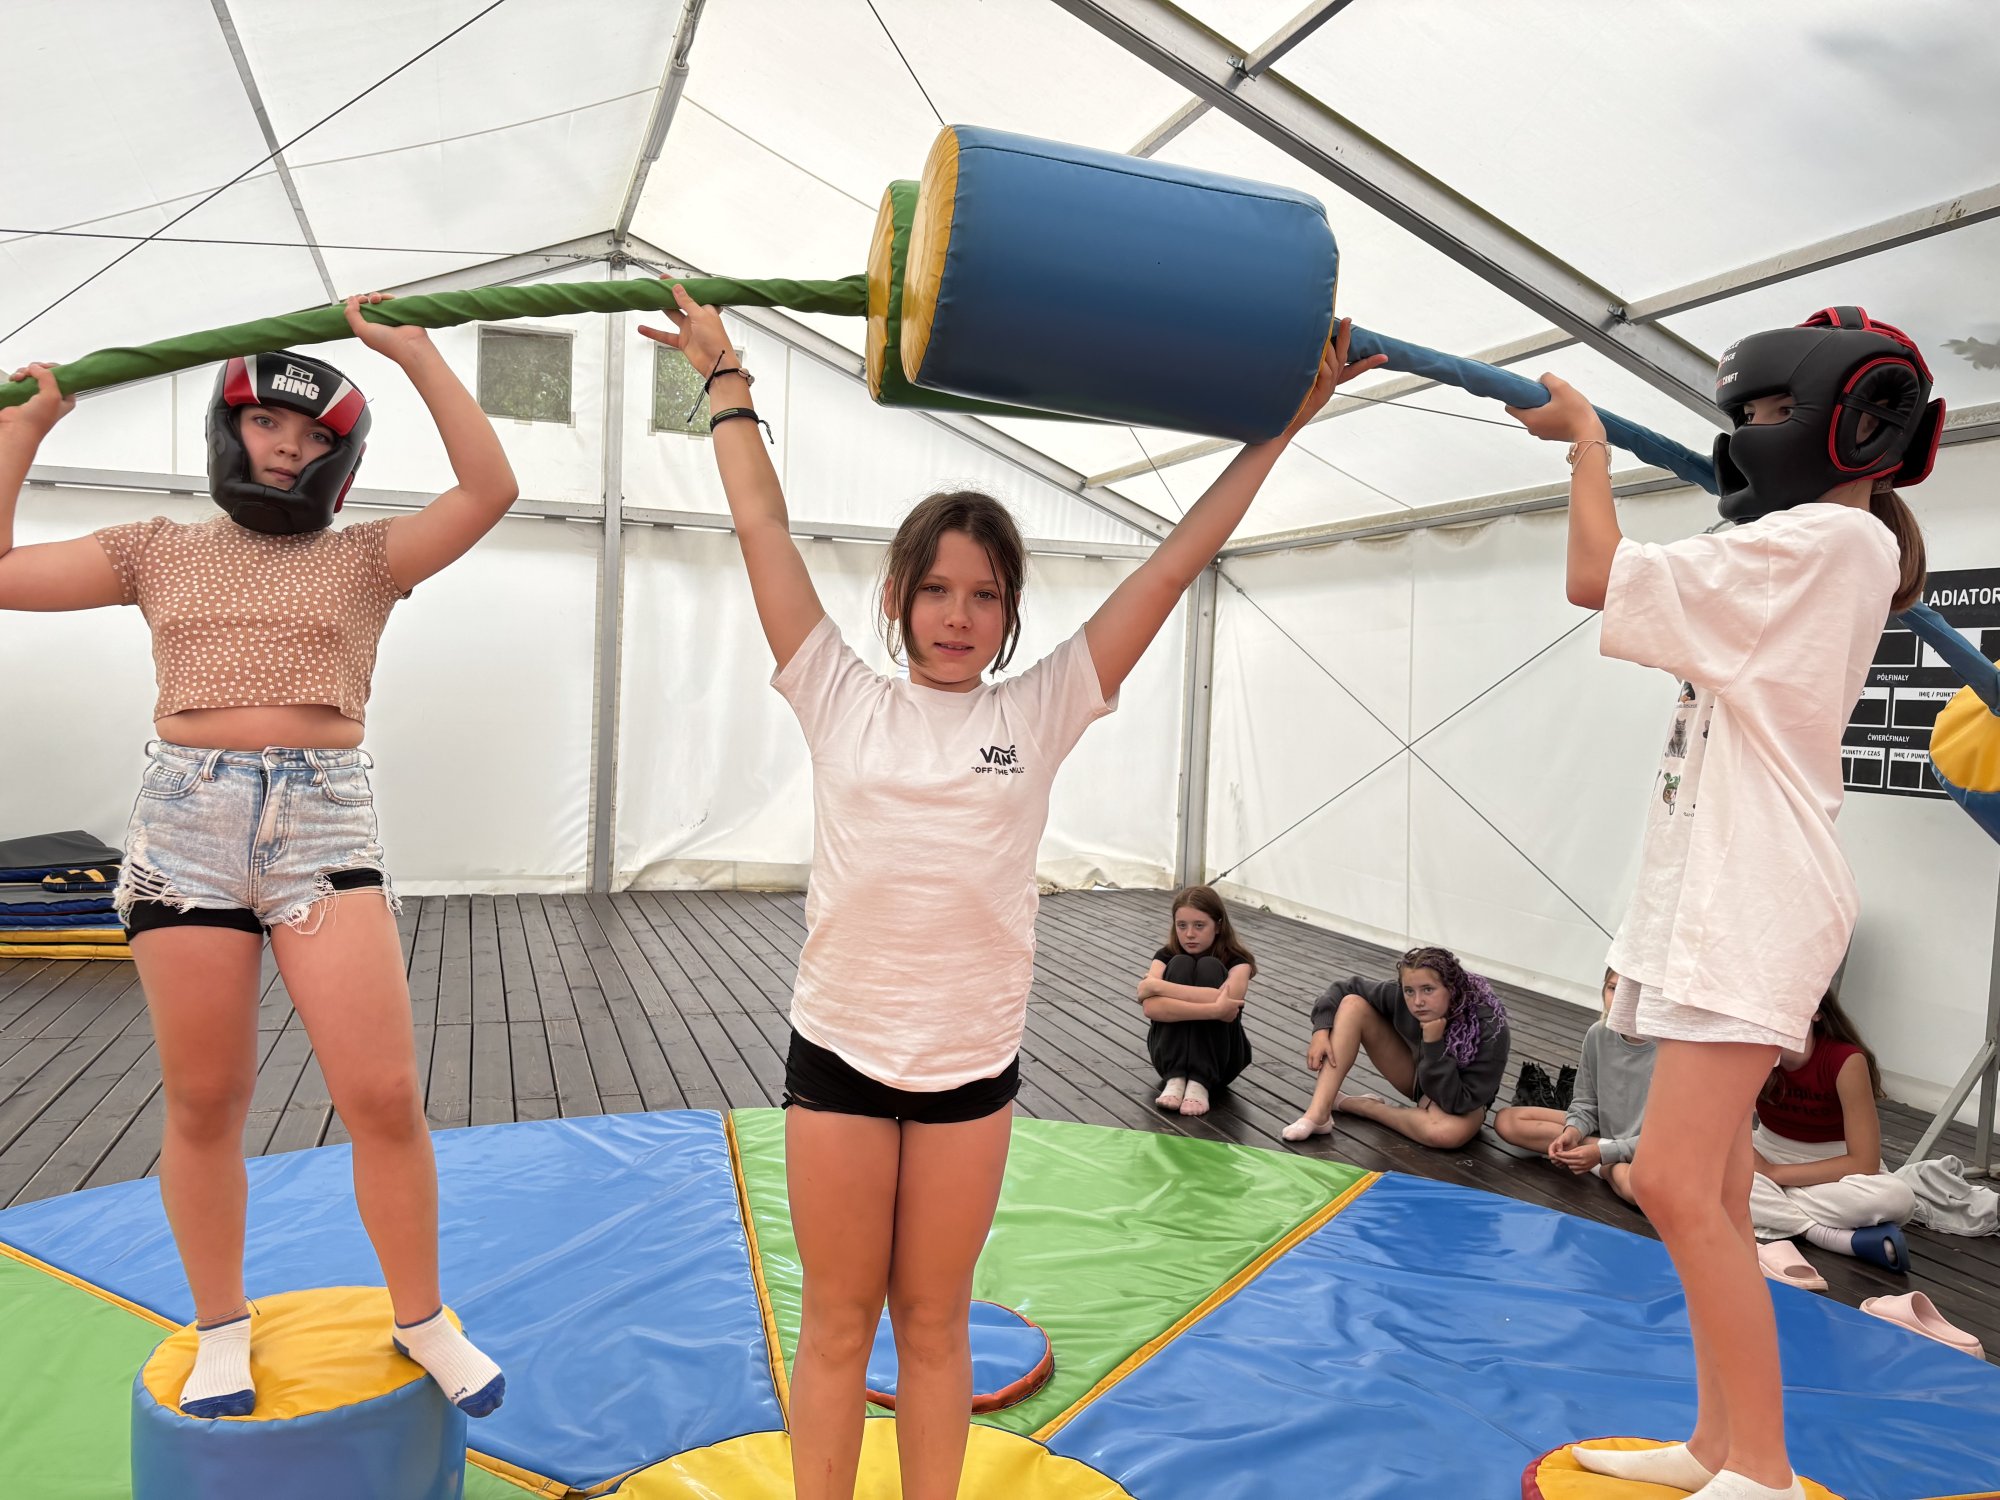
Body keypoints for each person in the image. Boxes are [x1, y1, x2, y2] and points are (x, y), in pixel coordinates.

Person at [639, 283, 1384, 1500]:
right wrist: (726, 384)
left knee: (934, 1327)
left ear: (1008, 612)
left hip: (967, 1069)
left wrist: (1283, 426)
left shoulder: (1038, 709)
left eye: (983, 594)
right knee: (836, 1324)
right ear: (896, 597)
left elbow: (1176, 561)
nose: (957, 615)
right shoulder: (835, 689)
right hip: (840, 1052)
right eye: (935, 589)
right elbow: (761, 528)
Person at [0, 295, 520, 1420]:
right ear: (229, 431)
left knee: (383, 1094)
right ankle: (221, 1328)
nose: (286, 446)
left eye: (313, 435)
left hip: (322, 830)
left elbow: (489, 491)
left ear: (340, 458)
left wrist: (417, 356)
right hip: (185, 828)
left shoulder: (369, 557)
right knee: (205, 1100)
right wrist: (24, 430)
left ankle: (422, 1318)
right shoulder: (156, 550)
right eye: (267, 423)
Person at [1507, 306, 1939, 1500]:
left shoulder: (1826, 543)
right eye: (1739, 415)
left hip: (1750, 900)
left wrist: (1586, 444)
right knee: (1713, 1188)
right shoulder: (1811, 549)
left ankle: (1758, 1466)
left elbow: (1592, 576)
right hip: (1720, 892)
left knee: (1673, 1182)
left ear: (1852, 424)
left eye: (1768, 412)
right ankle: (1717, 1445)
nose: (1748, 435)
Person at [1281, 945, 1510, 1148]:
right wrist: (1321, 1029)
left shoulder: (1490, 1027)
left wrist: (1434, 1043)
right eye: (1410, 991)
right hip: (1419, 1078)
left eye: (1428, 989)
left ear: (1451, 988)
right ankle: (1318, 1114)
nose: (1417, 1001)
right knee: (1352, 1004)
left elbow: (1459, 1103)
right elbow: (1344, 988)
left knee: (1446, 1133)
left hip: (1462, 1098)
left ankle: (1362, 1107)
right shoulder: (1401, 995)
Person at [1751, 989, 1916, 1271]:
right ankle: (1829, 1236)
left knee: (1897, 1198)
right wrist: (1756, 1167)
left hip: (1833, 1167)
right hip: (1768, 1149)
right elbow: (1728, 1129)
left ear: (1817, 1012)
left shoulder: (1845, 1059)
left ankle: (1775, 1207)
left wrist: (1773, 1174)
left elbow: (1864, 1162)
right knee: (1680, 1163)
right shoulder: (1751, 1051)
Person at [1495, 966, 1653, 1207]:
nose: (1620, 1000)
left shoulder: (1670, 1051)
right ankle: (1592, 1155)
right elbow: (1586, 1102)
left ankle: (1601, 1163)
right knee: (1507, 1120)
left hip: (1648, 1148)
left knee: (1636, 1189)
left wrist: (1601, 1154)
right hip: (1605, 1132)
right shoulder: (1597, 1034)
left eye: (1632, 992)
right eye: (1613, 988)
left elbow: (1667, 1139)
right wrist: (1572, 1133)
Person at [1137, 885, 1254, 1117]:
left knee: (1209, 966)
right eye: (1182, 925)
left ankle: (1200, 1081)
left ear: (1218, 925)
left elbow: (1230, 1002)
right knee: (1180, 963)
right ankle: (1176, 1078)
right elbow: (1151, 1008)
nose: (1189, 934)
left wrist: (1157, 987)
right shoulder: (1165, 956)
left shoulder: (1238, 962)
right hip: (1169, 1059)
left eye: (1199, 925)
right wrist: (1215, 1009)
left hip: (1222, 1061)